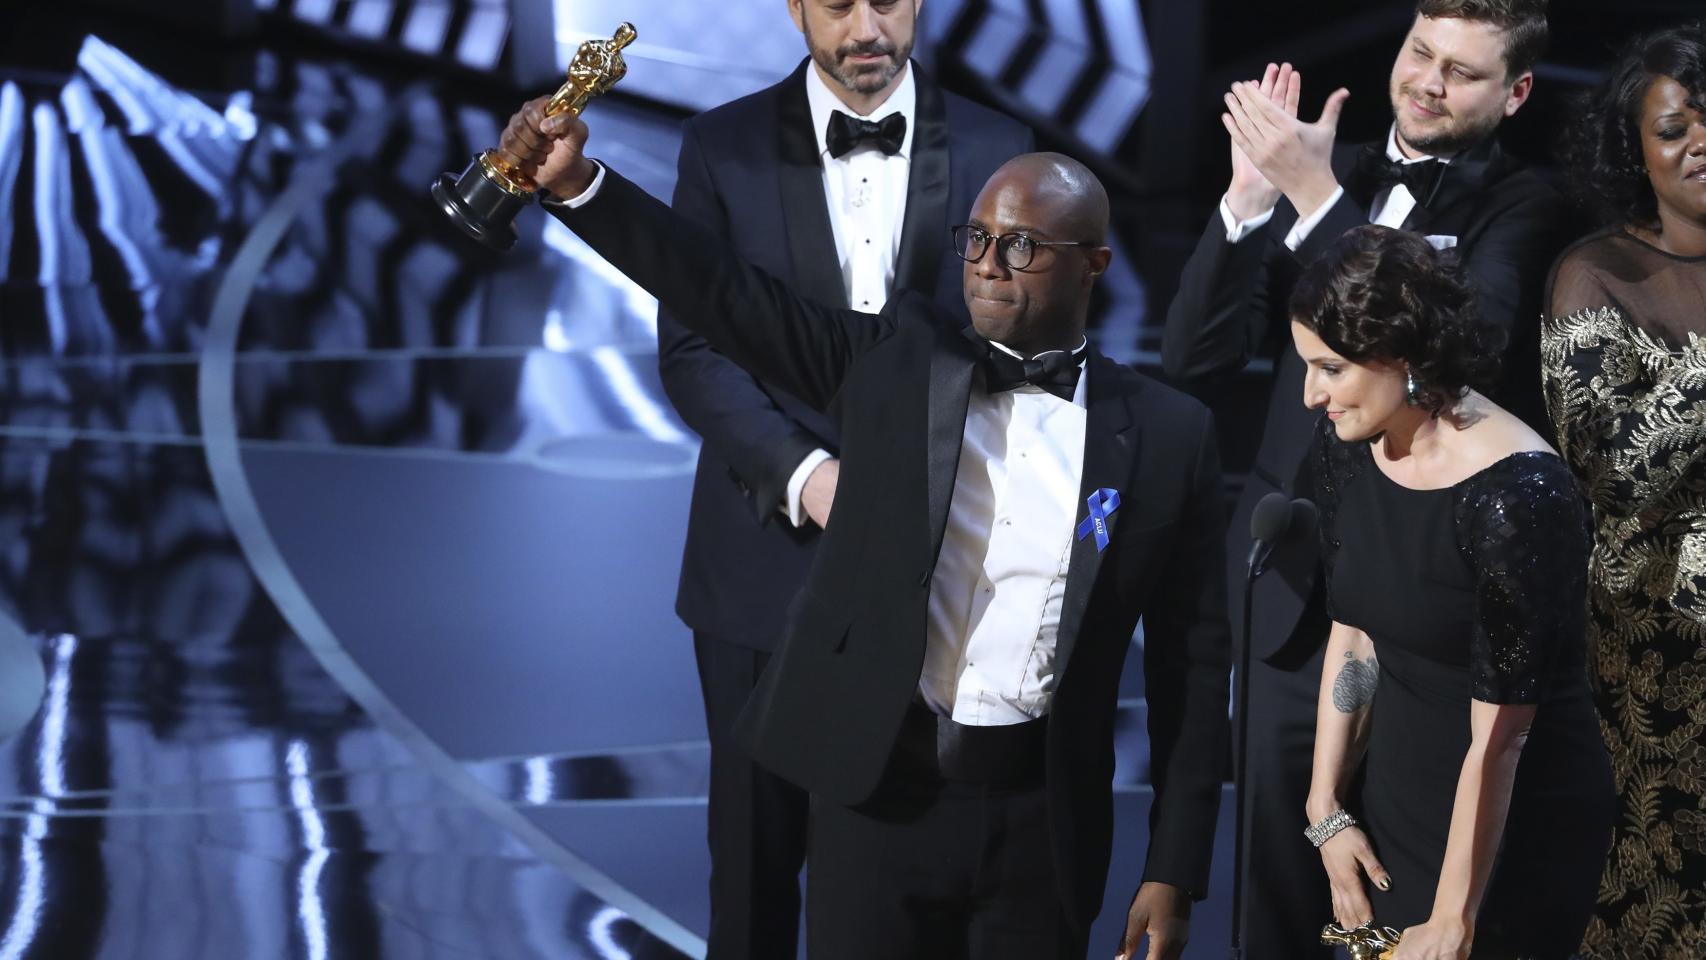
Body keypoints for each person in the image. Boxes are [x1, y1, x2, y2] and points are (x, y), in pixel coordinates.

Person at [500, 96, 1232, 959]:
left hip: (1047, 822)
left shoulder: (1166, 436)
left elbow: (1194, 666)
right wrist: (582, 186)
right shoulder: (898, 367)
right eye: (977, 240)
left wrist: (1173, 868)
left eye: (1023, 246)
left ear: (1093, 264)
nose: (989, 267)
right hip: (881, 803)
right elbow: (730, 296)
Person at [1158, 3, 1570, 953]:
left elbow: (1469, 351)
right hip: (1294, 593)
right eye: (1420, 53)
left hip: (1425, 615)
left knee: (1397, 896)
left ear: (1514, 94)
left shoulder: (1523, 207)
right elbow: (1195, 359)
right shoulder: (1325, 174)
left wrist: (1313, 201)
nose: (1429, 80)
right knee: (1269, 892)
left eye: (1463, 72)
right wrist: (1251, 201)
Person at [652, 1, 1031, 955]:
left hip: (934, 581)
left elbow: (1022, 349)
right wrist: (808, 476)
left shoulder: (999, 144)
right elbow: (694, 349)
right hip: (761, 571)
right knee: (752, 870)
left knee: (902, 884)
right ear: (793, 8)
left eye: (891, 1)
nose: (868, 27)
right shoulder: (721, 148)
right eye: (838, 3)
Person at [1295, 224, 1614, 959]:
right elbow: (1356, 632)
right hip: (1397, 794)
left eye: (1330, 368)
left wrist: (1451, 919)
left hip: (1509, 825)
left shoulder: (1518, 497)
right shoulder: (1350, 448)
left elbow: (1503, 739)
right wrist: (1326, 808)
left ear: (1401, 354)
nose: (1312, 394)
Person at [1542, 21, 1706, 957]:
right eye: (1674, 127)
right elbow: (1615, 470)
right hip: (1657, 668)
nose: (1698, 145)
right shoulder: (1597, 274)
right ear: (1634, 150)